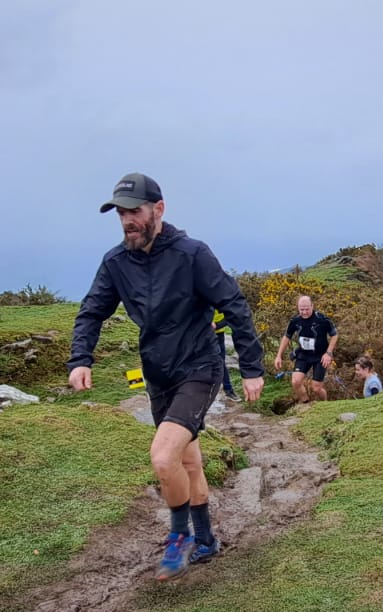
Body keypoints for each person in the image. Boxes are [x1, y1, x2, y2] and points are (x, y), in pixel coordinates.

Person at [68, 172, 265, 581]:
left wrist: (250, 368)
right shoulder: (116, 262)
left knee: (163, 457)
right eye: (120, 213)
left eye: (134, 211)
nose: (127, 221)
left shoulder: (192, 254)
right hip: (158, 373)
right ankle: (206, 540)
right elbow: (91, 311)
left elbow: (234, 304)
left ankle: (178, 537)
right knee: (188, 461)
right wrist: (80, 359)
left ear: (158, 209)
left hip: (200, 366)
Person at [273, 295, 337, 403]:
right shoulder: (295, 320)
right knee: (296, 382)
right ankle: (306, 403)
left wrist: (328, 353)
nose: (304, 312)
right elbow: (286, 337)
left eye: (307, 309)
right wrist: (279, 356)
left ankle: (325, 404)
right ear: (298, 308)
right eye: (301, 309)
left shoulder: (322, 319)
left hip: (320, 355)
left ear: (312, 306)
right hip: (303, 354)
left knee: (316, 388)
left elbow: (334, 335)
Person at [212, 310, 237, 399]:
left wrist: (217, 325)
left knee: (221, 361)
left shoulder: (220, 302)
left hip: (218, 333)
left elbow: (229, 315)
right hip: (201, 334)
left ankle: (228, 389)